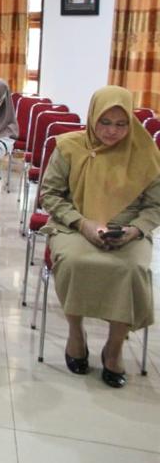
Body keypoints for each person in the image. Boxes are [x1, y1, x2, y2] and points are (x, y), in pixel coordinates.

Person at [40, 86, 160, 388]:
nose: (112, 131)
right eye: (105, 122)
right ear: (92, 118)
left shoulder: (146, 153)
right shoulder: (69, 146)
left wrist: (135, 230)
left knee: (132, 269)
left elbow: (155, 206)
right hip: (75, 223)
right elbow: (50, 195)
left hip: (128, 229)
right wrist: (83, 224)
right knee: (74, 262)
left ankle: (115, 346)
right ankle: (75, 334)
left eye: (121, 124)